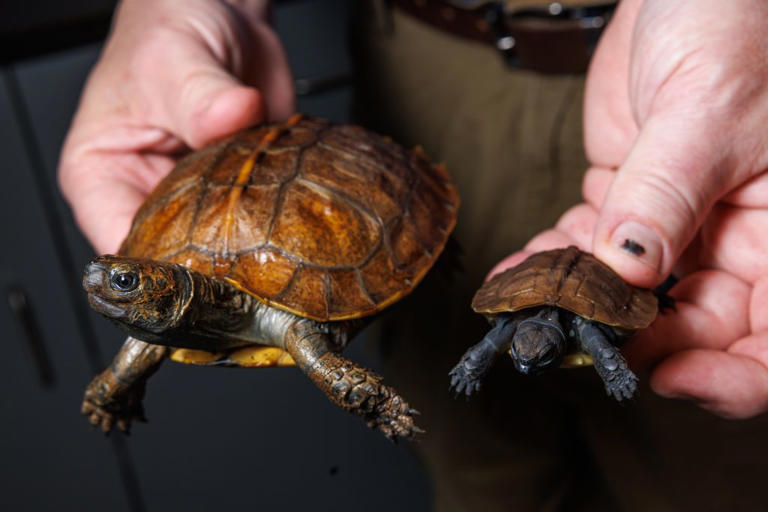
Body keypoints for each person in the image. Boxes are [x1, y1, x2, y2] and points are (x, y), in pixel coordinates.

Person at [59, 0, 768, 509]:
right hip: (429, 54)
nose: (104, 282)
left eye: (122, 279)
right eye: (118, 282)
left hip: (685, 51)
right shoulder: (163, 326)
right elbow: (139, 350)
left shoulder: (267, 318)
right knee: (481, 467)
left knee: (702, 463)